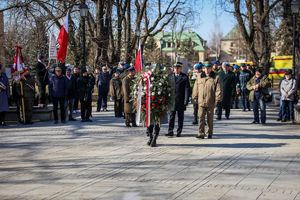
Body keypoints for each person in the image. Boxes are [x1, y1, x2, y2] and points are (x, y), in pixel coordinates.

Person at [192, 62, 221, 139]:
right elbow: (196, 88)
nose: (207, 70)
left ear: (211, 68)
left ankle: (209, 133)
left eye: (208, 68)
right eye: (205, 68)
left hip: (210, 101)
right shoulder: (199, 76)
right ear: (203, 69)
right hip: (201, 101)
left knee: (209, 119)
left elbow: (218, 90)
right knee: (200, 117)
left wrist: (218, 99)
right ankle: (201, 133)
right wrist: (195, 97)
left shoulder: (215, 77)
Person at [166, 62, 190, 137]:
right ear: (173, 68)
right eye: (175, 68)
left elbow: (187, 89)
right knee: (171, 117)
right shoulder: (169, 76)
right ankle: (170, 131)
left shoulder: (184, 77)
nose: (176, 69)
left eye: (178, 68)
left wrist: (186, 100)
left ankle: (179, 131)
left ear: (180, 68)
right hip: (172, 100)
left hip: (180, 100)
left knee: (180, 117)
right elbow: (167, 89)